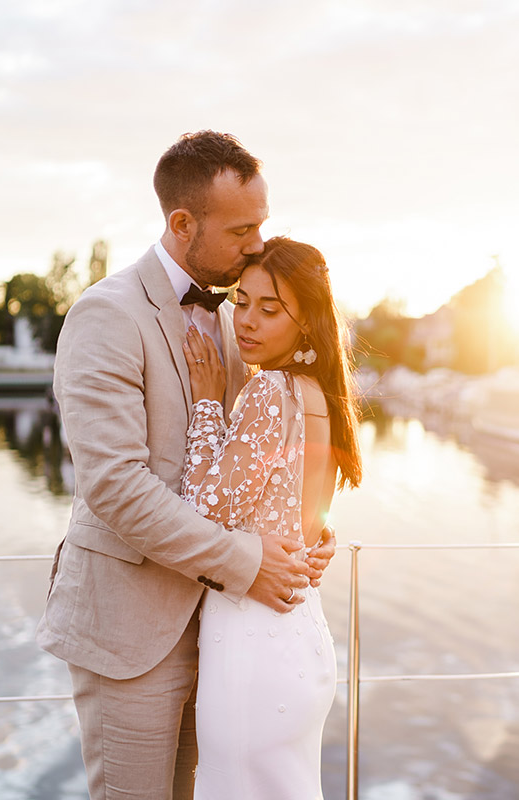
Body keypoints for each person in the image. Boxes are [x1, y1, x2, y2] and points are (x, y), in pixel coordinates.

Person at [36, 131, 337, 800]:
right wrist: (250, 563)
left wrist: (308, 533)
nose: (258, 244)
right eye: (243, 228)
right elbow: (116, 488)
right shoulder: (105, 316)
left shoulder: (238, 322)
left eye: (262, 223)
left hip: (226, 638)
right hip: (131, 634)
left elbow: (260, 458)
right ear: (182, 223)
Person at [180, 236, 362, 799]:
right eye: (242, 301)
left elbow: (201, 508)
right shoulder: (321, 394)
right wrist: (321, 538)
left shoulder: (269, 392)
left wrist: (209, 400)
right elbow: (306, 513)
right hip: (302, 635)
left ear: (305, 321)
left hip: (253, 637)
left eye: (270, 308)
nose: (247, 322)